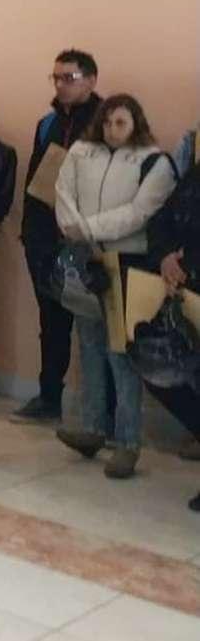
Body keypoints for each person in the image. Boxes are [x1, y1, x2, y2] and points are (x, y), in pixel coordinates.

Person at [54, 94, 176, 479]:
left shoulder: (155, 162)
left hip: (127, 263)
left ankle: (127, 442)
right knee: (89, 346)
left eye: (120, 122)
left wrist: (88, 229)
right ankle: (92, 428)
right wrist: (76, 232)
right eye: (107, 122)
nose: (111, 129)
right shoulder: (81, 151)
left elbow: (139, 213)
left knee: (121, 356)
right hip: (85, 258)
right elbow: (63, 192)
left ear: (136, 123)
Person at [12, 49, 103, 424]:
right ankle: (49, 396)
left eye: (70, 78)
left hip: (85, 238)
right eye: (56, 78)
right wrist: (29, 231)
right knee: (51, 323)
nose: (61, 85)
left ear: (91, 81)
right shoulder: (47, 123)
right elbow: (35, 179)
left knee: (95, 328)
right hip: (44, 237)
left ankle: (103, 411)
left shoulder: (105, 122)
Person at [147, 156, 200, 504]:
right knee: (157, 370)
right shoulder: (196, 174)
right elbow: (162, 220)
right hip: (186, 292)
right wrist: (166, 256)